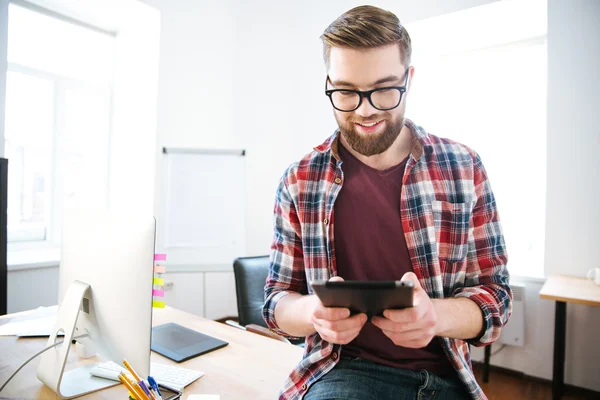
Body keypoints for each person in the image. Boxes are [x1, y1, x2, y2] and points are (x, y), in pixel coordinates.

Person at [263, 5, 512, 400]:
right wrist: (314, 313)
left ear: (408, 80)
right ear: (328, 82)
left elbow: (495, 297)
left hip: (449, 377)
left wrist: (435, 316)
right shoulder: (300, 180)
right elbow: (277, 301)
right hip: (343, 372)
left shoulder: (464, 167)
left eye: (383, 89)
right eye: (346, 91)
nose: (365, 110)